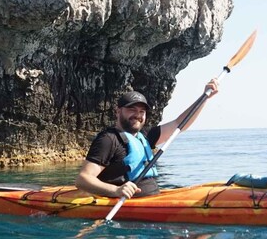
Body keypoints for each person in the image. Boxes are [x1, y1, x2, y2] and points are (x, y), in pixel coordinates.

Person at [76, 80, 219, 199]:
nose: (137, 115)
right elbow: (83, 179)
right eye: (132, 109)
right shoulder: (108, 140)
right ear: (118, 111)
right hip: (127, 205)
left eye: (142, 111)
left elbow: (179, 124)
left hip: (153, 198)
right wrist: (116, 191)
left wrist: (204, 98)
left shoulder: (145, 135)